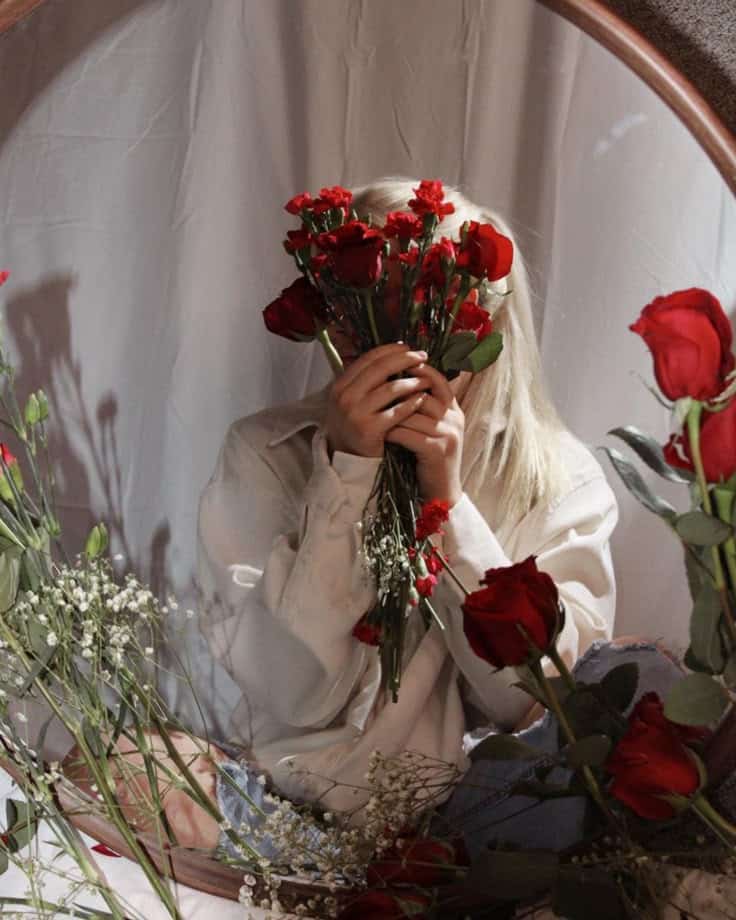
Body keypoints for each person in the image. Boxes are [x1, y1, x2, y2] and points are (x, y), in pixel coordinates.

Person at [195, 178, 622, 832]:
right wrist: (346, 475)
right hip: (271, 817)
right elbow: (291, 691)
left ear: (488, 326)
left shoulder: (559, 480)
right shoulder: (265, 452)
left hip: (480, 841)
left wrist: (447, 506)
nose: (402, 349)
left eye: (431, 312)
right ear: (335, 315)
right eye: (368, 310)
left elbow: (542, 707)